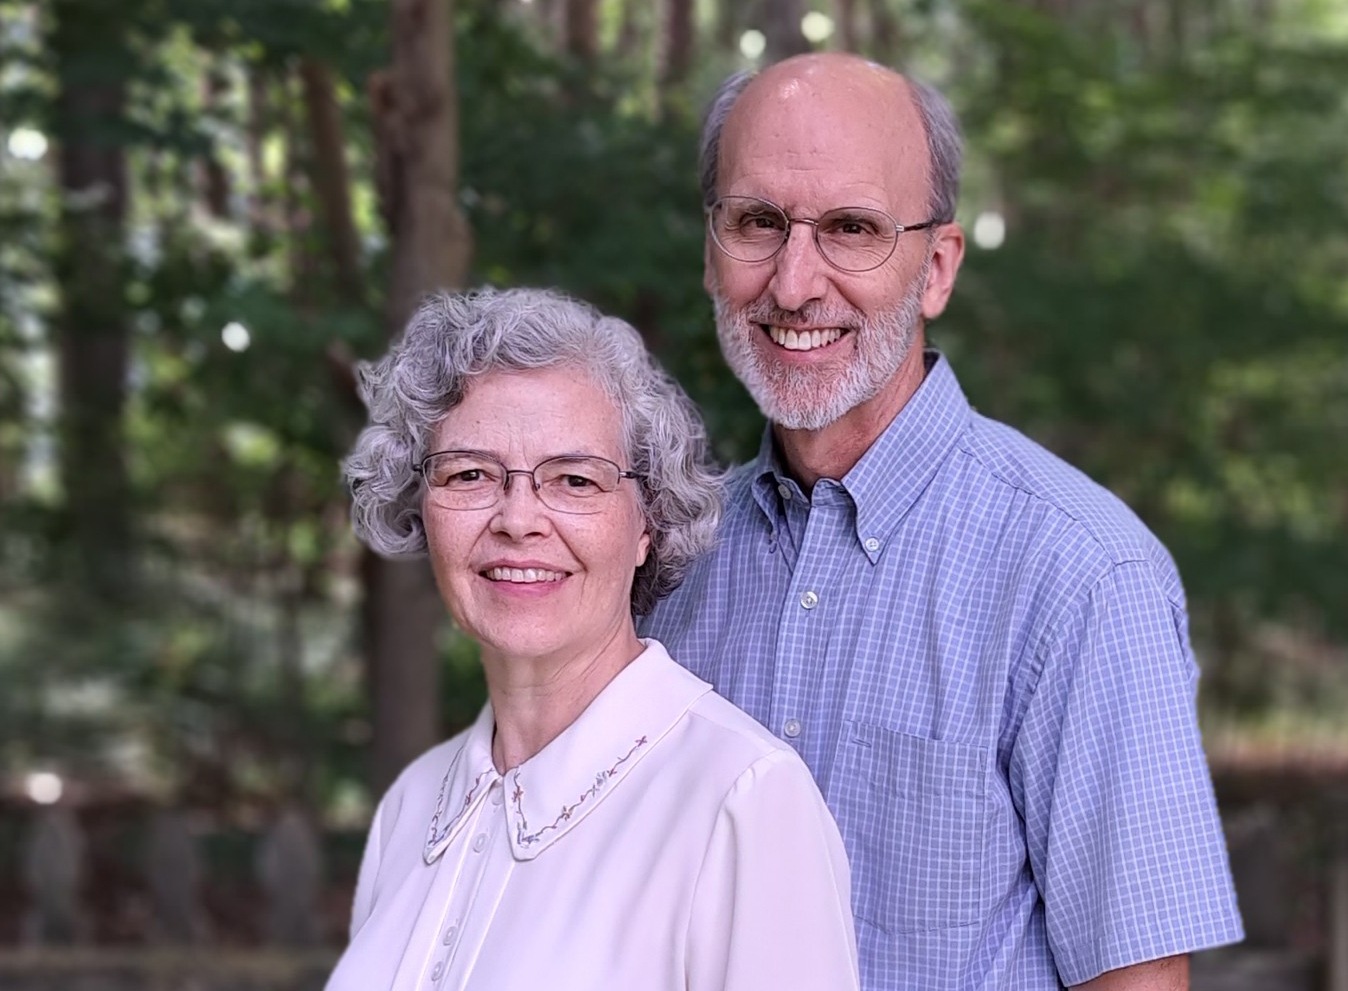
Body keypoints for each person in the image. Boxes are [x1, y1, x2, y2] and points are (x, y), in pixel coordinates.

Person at [639, 53, 1244, 990]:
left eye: (852, 228)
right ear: (711, 250)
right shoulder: (671, 562)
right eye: (758, 222)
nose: (794, 283)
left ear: (936, 268)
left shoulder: (1083, 576)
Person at [326, 287, 860, 991]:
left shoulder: (742, 802)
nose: (518, 519)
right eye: (470, 473)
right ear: (420, 507)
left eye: (575, 480)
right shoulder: (412, 805)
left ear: (648, 525)